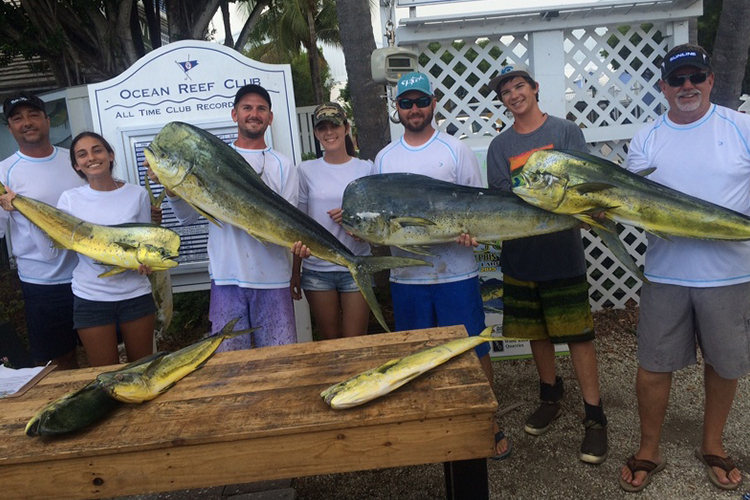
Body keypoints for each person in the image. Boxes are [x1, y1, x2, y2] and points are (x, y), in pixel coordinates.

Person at [619, 44, 747, 492]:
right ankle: (649, 447)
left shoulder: (742, 128)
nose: (687, 86)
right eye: (678, 80)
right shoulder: (646, 138)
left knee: (725, 364)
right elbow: (630, 200)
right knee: (653, 365)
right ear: (663, 88)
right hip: (665, 273)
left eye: (696, 77)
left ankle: (712, 444)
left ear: (711, 80)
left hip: (730, 276)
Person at [374, 72, 508, 459]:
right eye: (406, 103)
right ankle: (430, 424)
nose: (414, 109)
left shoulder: (455, 150)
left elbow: (477, 209)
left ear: (434, 104)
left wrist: (472, 233)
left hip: (457, 274)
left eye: (420, 102)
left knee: (473, 351)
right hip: (406, 277)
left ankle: (488, 421)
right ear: (396, 109)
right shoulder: (384, 158)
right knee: (416, 356)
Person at [484, 63, 608, 465]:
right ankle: (550, 395)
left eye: (519, 86)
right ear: (502, 101)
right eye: (505, 91)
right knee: (536, 332)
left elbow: (585, 183)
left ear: (535, 89)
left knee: (578, 336)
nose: (513, 94)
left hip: (563, 254)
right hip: (520, 255)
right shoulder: (499, 148)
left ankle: (594, 416)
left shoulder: (565, 132)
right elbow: (505, 200)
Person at [156, 84, 298, 351]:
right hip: (225, 279)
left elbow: (290, 226)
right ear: (234, 114)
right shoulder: (211, 159)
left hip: (273, 280)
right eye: (247, 108)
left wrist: (297, 260)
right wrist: (170, 188)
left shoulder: (283, 164)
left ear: (270, 117)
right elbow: (186, 218)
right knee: (230, 367)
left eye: (261, 108)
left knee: (283, 359)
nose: (253, 114)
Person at [5, 132, 157, 366]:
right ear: (76, 165)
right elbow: (51, 253)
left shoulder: (137, 194)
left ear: (110, 155)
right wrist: (22, 213)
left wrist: (147, 264)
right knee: (104, 375)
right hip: (91, 298)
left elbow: (147, 244)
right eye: (82, 154)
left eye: (97, 150)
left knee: (143, 369)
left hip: (136, 295)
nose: (91, 158)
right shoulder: (70, 200)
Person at [0, 91, 85, 370]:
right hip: (42, 285)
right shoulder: (4, 173)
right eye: (17, 118)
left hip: (90, 274)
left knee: (106, 354)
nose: (27, 122)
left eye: (33, 114)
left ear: (47, 120)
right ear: (10, 127)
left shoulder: (76, 160)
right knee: (60, 360)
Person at [290, 102, 372, 339]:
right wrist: (296, 271)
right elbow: (300, 223)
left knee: (356, 343)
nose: (329, 132)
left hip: (355, 266)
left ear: (345, 128)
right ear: (316, 133)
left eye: (334, 125)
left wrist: (354, 221)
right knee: (330, 343)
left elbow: (375, 222)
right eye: (322, 127)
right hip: (317, 271)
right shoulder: (305, 170)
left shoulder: (366, 168)